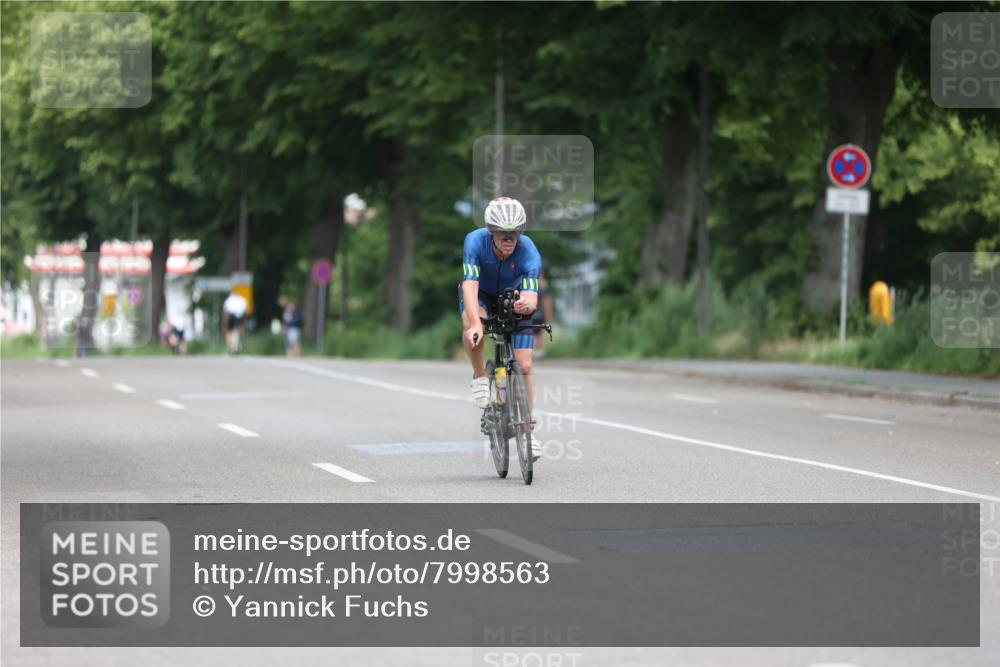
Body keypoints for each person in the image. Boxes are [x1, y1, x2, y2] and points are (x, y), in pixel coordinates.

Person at [459, 196, 542, 461]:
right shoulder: (475, 241)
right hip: (481, 295)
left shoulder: (529, 251)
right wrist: (475, 322)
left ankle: (527, 430)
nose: (509, 239)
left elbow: (531, 298)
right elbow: (469, 285)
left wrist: (524, 306)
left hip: (512, 297)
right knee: (475, 329)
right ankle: (480, 376)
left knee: (525, 365)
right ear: (491, 232)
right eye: (503, 233)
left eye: (514, 233)